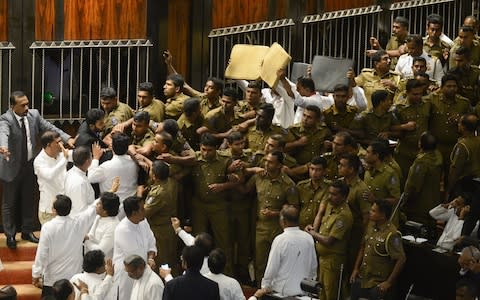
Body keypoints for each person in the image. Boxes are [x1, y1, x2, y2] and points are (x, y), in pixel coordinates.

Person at [0, 90, 74, 248]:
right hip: (11, 165)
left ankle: (27, 231)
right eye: (22, 105)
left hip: (29, 164)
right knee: (9, 203)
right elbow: (3, 134)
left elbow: (50, 127)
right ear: (13, 106)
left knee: (28, 199)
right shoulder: (5, 119)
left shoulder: (34, 115)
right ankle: (10, 235)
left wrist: (68, 137)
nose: (27, 107)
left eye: (27, 103)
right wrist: (3, 147)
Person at [244, 151, 299, 284]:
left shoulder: (288, 184)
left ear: (279, 165)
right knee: (260, 262)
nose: (267, 164)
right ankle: (259, 288)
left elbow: (294, 209)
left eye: (271, 162)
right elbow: (245, 190)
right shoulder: (259, 177)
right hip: (260, 227)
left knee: (277, 262)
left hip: (278, 228)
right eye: (266, 161)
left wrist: (275, 213)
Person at [32, 195, 97, 297]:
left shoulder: (48, 228)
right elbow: (93, 208)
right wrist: (110, 191)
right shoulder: (78, 222)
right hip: (73, 276)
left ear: (54, 210)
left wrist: (36, 274)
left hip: (53, 278)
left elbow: (42, 254)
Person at [251, 206, 316, 299]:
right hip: (304, 292)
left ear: (283, 221)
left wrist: (265, 287)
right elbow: (313, 267)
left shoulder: (280, 240)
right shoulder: (308, 238)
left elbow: (272, 267)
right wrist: (310, 287)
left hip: (282, 293)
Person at [350, 199, 406, 300]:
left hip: (377, 283)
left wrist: (389, 282)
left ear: (382, 215)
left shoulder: (392, 234)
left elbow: (401, 259)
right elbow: (363, 247)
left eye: (373, 211)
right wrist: (355, 268)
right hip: (363, 278)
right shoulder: (370, 226)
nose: (370, 212)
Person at [307, 180, 353, 300]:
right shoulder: (330, 206)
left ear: (343, 197)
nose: (329, 196)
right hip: (323, 259)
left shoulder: (344, 215)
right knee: (321, 292)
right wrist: (313, 228)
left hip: (333, 262)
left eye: (334, 194)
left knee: (330, 294)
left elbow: (329, 241)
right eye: (329, 193)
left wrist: (312, 233)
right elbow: (321, 220)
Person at [112, 196, 157, 300]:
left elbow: (151, 240)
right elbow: (135, 256)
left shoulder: (143, 221)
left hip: (143, 268)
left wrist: (151, 257)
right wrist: (148, 264)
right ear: (133, 213)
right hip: (128, 273)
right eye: (142, 209)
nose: (145, 210)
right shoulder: (122, 230)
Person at [428, 73, 471, 180]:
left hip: (455, 146)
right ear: (441, 88)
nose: (452, 89)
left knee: (453, 177)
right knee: (433, 177)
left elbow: (471, 123)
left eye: (454, 86)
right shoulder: (432, 100)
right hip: (436, 146)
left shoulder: (464, 103)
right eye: (448, 86)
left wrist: (461, 120)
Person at [392, 79, 432, 181]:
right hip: (405, 152)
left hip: (423, 152)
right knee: (404, 180)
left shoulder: (427, 104)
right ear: (407, 93)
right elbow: (389, 127)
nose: (418, 97)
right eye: (414, 94)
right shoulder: (399, 108)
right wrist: (404, 127)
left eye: (420, 94)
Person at [448, 114, 480, 238]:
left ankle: (455, 239)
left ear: (464, 127)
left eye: (460, 123)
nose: (458, 125)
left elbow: (455, 170)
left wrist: (449, 190)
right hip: (477, 185)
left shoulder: (463, 146)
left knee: (461, 215)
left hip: (467, 185)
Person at [88, 132, 139, 211]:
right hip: (131, 207)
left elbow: (90, 177)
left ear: (113, 147)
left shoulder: (106, 167)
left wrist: (95, 158)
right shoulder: (135, 163)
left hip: (111, 209)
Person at [403, 132, 442, 229]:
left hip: (419, 205)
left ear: (420, 144)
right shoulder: (438, 156)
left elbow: (414, 185)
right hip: (434, 201)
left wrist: (405, 202)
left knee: (417, 231)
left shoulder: (421, 162)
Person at [143, 160, 177, 270]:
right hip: (169, 227)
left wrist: (139, 195)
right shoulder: (171, 182)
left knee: (161, 261)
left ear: (155, 176)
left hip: (159, 231)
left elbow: (144, 212)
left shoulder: (158, 193)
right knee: (170, 258)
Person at [33, 131, 71, 224]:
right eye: (58, 142)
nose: (61, 144)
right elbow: (50, 175)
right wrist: (64, 160)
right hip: (49, 210)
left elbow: (77, 155)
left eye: (61, 141)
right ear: (49, 145)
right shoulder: (39, 161)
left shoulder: (61, 155)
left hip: (63, 208)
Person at [84, 192, 120, 259]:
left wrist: (86, 241)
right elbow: (91, 235)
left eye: (99, 203)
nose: (96, 204)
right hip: (91, 259)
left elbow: (101, 251)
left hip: (102, 266)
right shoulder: (99, 217)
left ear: (105, 211)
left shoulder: (113, 227)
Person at [296, 156, 330, 230]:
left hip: (319, 228)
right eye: (312, 169)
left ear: (324, 171)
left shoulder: (329, 188)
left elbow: (322, 212)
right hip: (300, 227)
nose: (314, 173)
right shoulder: (301, 186)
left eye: (318, 170)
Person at [64, 145, 96, 216]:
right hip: (80, 221)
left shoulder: (70, 173)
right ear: (88, 161)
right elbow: (80, 211)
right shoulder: (79, 182)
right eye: (91, 156)